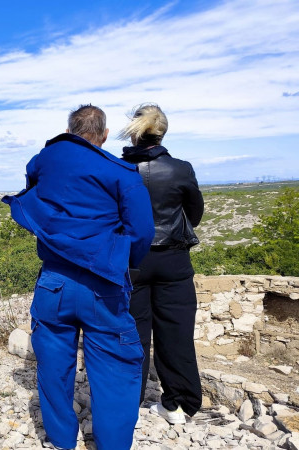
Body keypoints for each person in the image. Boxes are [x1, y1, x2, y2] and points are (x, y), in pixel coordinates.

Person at [2, 105, 155, 450]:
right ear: (102, 135)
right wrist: (121, 260)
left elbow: (35, 190)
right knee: (115, 368)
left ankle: (61, 440)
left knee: (54, 367)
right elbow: (142, 231)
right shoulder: (120, 171)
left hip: (53, 282)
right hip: (103, 285)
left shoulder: (44, 160)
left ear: (70, 130)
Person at [119, 103, 204, 424]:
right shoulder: (181, 168)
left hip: (131, 261)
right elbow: (193, 213)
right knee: (177, 334)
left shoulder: (119, 168)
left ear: (136, 131)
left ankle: (127, 406)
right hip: (173, 259)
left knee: (131, 334)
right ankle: (178, 407)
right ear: (162, 131)